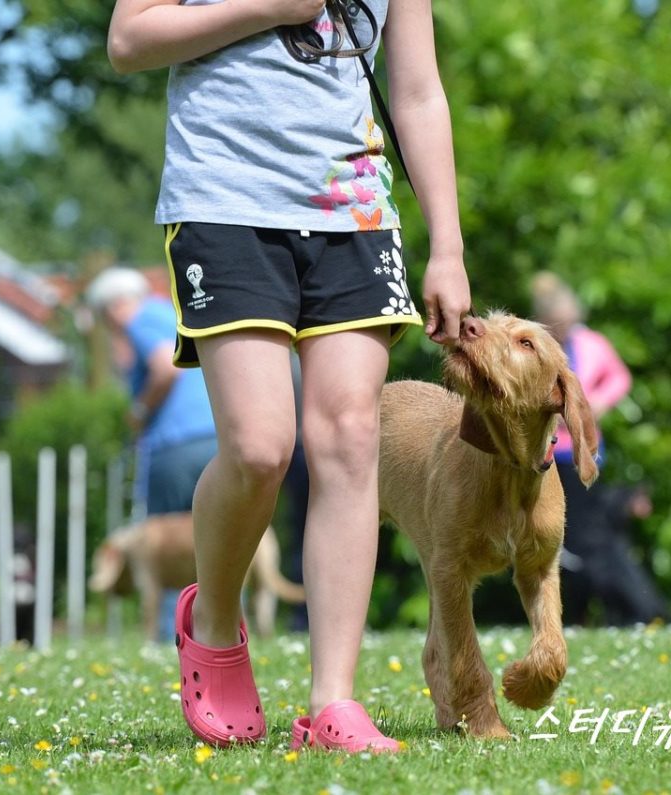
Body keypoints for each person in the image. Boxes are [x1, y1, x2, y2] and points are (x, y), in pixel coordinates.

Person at [107, 0, 472, 751]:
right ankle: (211, 618)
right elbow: (128, 40)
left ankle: (334, 700)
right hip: (224, 201)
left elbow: (418, 91)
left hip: (356, 211)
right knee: (261, 447)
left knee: (348, 437)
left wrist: (449, 246)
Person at [86, 267, 220, 640]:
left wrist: (139, 410)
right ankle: (221, 630)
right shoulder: (172, 312)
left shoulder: (140, 320)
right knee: (220, 534)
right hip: (213, 435)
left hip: (173, 446)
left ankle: (169, 637)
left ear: (113, 307)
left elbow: (165, 367)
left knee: (159, 550)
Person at [530, 272, 671, 626]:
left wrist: (595, 405)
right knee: (572, 542)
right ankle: (583, 614)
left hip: (587, 452)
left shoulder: (591, 343)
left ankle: (626, 612)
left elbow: (619, 378)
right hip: (550, 455)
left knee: (590, 540)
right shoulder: (534, 347)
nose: (565, 332)